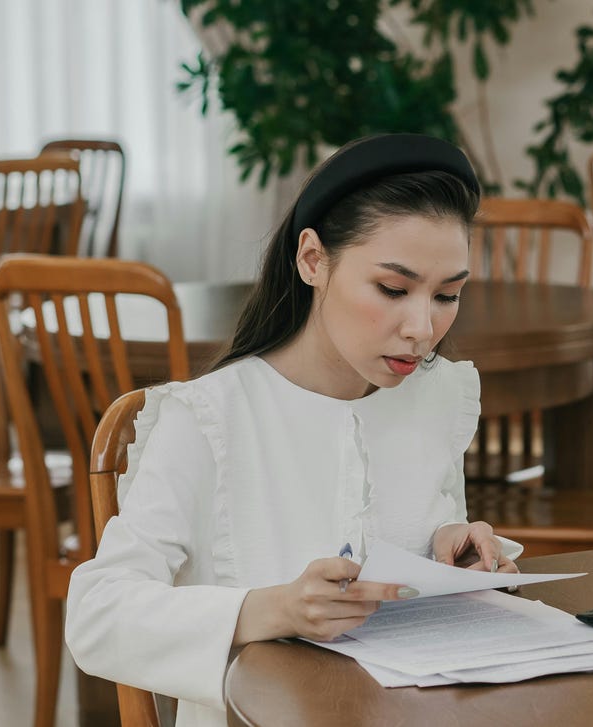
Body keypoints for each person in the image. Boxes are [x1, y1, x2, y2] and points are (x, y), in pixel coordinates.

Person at [66, 134, 521, 727]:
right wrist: (269, 610)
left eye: (448, 295)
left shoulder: (433, 397)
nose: (422, 327)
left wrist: (454, 559)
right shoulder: (209, 419)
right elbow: (97, 614)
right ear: (312, 259)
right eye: (392, 289)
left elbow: (408, 559)